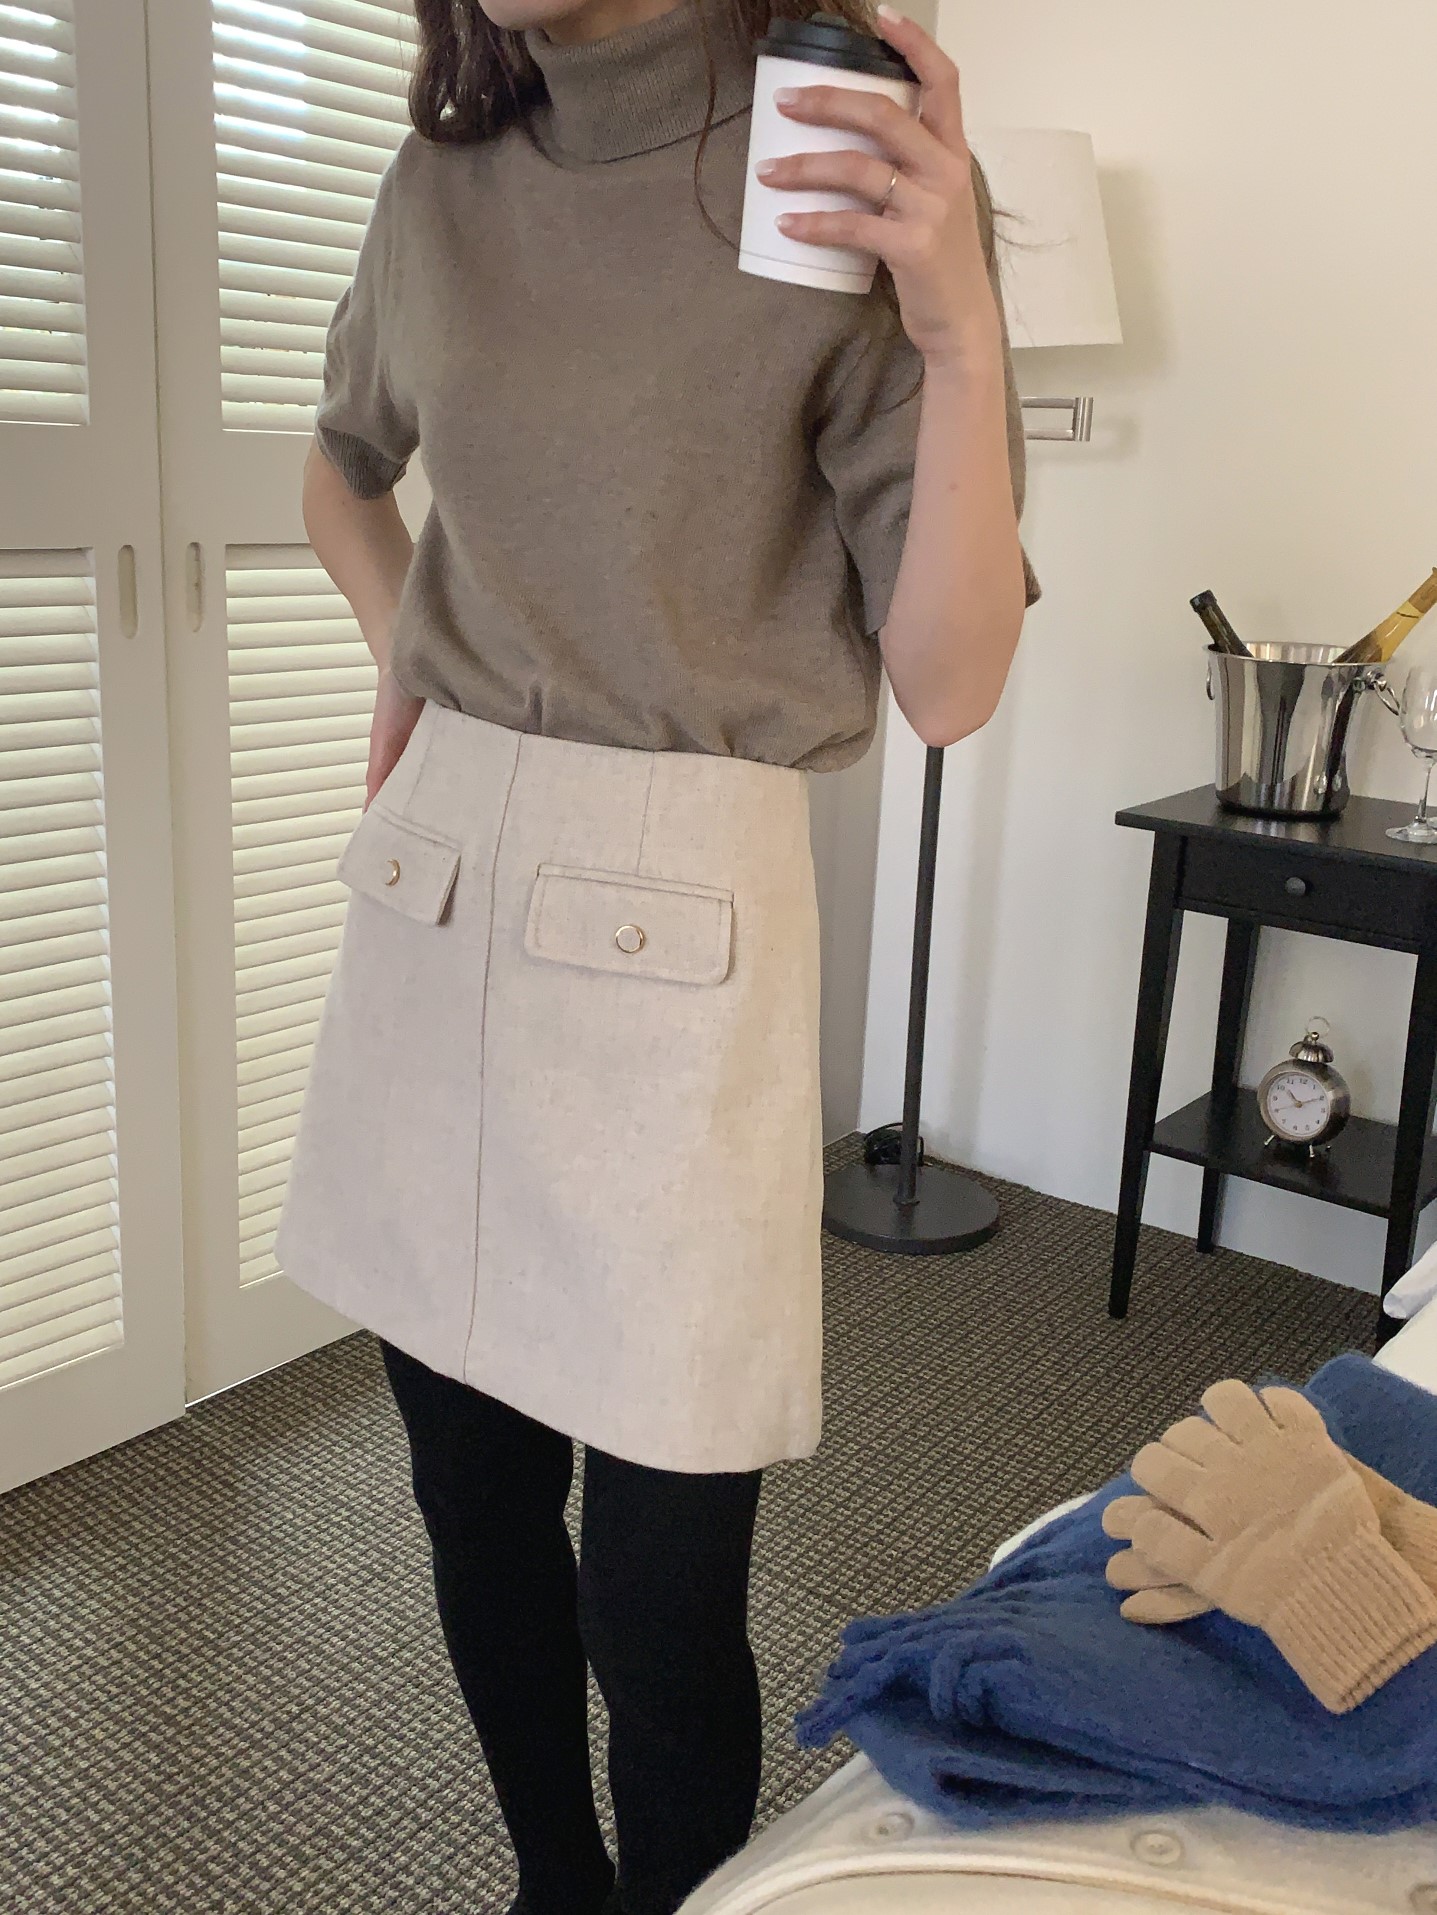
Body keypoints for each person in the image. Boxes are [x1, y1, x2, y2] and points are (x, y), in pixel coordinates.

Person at [274, 0, 1038, 1908]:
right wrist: (405, 649)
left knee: (662, 1590)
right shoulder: (439, 181)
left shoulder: (826, 155)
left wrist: (958, 330)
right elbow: (339, 464)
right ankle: (555, 1883)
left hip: (680, 921)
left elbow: (949, 679)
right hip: (440, 884)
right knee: (468, 1504)